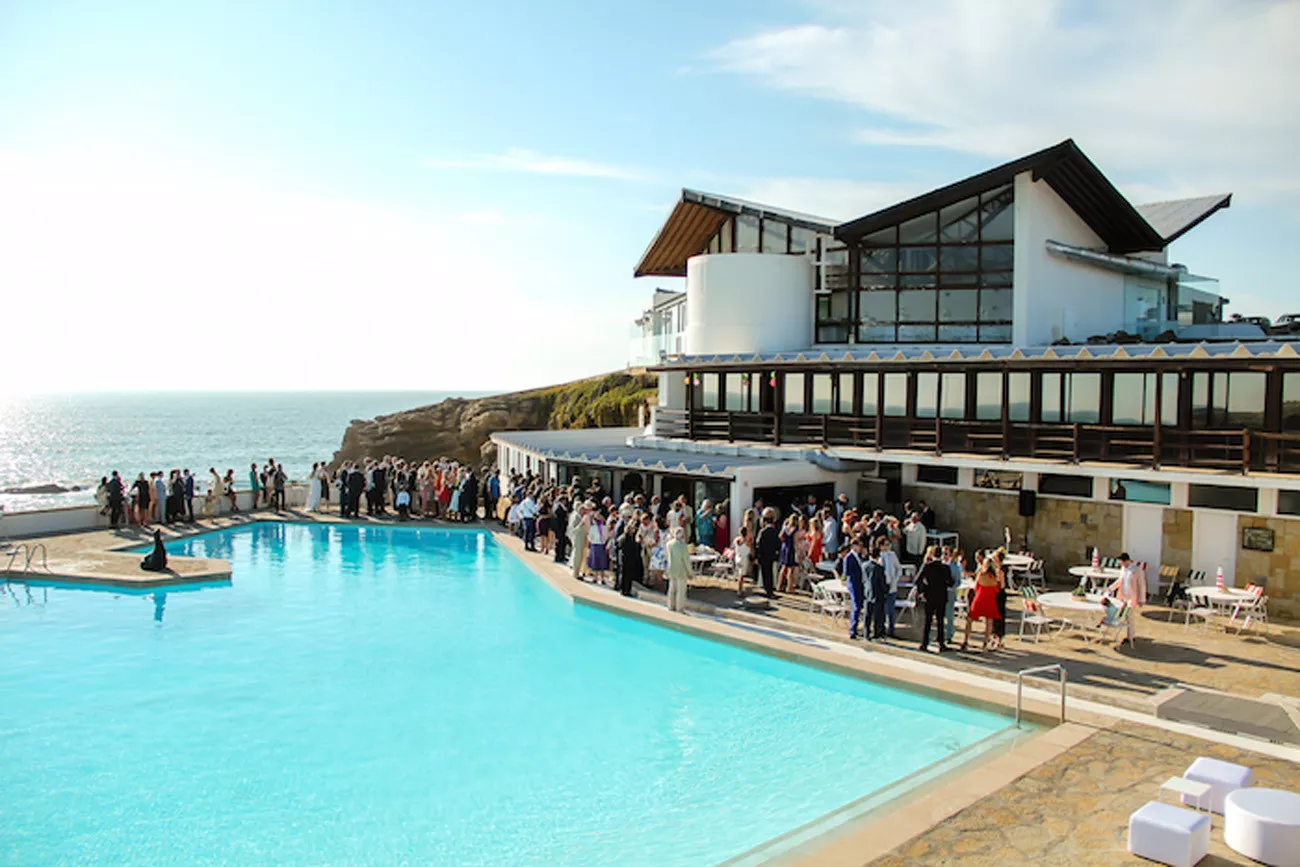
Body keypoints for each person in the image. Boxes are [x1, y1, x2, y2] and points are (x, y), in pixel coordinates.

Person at [961, 557, 1003, 652]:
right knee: (989, 621)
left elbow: (976, 587)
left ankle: (966, 640)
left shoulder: (981, 574)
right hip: (990, 599)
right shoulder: (995, 577)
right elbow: (998, 589)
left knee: (970, 619)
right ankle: (985, 642)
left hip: (980, 597)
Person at [1105, 552, 1146, 644]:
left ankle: (1130, 636)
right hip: (1123, 596)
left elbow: (1141, 585)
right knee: (1122, 615)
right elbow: (1120, 581)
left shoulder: (1137, 570)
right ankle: (1125, 634)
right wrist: (1110, 588)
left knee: (1129, 616)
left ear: (1126, 561)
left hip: (1132, 597)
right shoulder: (1123, 569)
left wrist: (1141, 599)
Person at [917, 546, 950, 652]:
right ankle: (941, 643)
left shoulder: (927, 566)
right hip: (941, 596)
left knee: (928, 621)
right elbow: (950, 582)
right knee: (940, 621)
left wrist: (922, 591)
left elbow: (918, 580)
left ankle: (924, 643)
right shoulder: (945, 568)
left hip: (929, 595)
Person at [864, 538, 890, 640]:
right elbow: (882, 582)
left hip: (867, 592)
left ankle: (866, 633)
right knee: (878, 616)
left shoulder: (865, 565)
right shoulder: (879, 568)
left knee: (867, 615)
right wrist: (886, 590)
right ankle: (876, 633)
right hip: (878, 594)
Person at [878, 537, 903, 638]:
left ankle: (891, 629)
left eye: (888, 545)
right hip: (881, 586)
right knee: (881, 608)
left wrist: (895, 580)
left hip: (891, 585)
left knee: (890, 609)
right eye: (885, 545)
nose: (887, 547)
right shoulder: (878, 556)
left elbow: (898, 568)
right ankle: (881, 628)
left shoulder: (892, 555)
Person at [844, 536, 867, 640]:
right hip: (854, 583)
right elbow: (846, 572)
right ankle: (853, 629)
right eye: (859, 546)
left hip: (860, 583)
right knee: (856, 606)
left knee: (860, 605)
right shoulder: (849, 557)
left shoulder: (860, 557)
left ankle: (857, 627)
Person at [665, 526, 690, 612]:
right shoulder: (683, 546)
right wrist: (690, 572)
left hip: (671, 568)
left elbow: (668, 557)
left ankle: (670, 606)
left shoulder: (669, 544)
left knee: (672, 589)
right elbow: (686, 560)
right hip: (681, 570)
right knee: (681, 590)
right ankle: (680, 608)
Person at [755, 509, 779, 598]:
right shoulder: (775, 531)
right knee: (770, 572)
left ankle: (767, 590)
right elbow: (777, 543)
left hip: (763, 555)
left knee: (765, 573)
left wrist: (757, 556)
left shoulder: (762, 531)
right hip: (771, 555)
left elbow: (758, 544)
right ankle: (770, 589)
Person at [618, 523, 641, 597]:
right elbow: (631, 548)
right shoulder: (627, 539)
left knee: (625, 575)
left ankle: (623, 589)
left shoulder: (624, 538)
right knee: (627, 575)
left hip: (625, 558)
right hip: (627, 559)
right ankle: (626, 590)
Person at [776, 514, 798, 593]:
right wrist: (797, 553)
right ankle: (789, 588)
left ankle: (779, 585)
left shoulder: (785, 527)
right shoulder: (795, 530)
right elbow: (795, 542)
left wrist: (784, 542)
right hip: (791, 549)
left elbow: (780, 536)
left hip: (784, 547)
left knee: (783, 568)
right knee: (791, 570)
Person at [733, 525, 753, 596]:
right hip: (744, 558)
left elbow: (733, 547)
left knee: (739, 574)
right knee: (741, 576)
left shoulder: (736, 540)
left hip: (737, 557)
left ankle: (740, 588)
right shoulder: (747, 542)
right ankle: (739, 590)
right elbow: (750, 551)